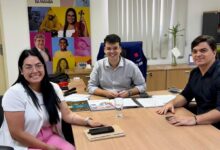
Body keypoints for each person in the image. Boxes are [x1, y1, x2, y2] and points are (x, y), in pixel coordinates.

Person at [0, 49, 102, 149]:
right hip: (23, 143)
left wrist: (87, 121)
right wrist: (47, 147)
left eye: (38, 65)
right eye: (28, 67)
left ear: (44, 67)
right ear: (21, 71)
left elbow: (68, 115)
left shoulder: (53, 87)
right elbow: (17, 134)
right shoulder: (14, 94)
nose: (34, 70)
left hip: (48, 137)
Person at [157, 35, 220, 129]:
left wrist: (194, 119)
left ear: (214, 52)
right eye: (195, 51)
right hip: (202, 123)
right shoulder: (195, 72)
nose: (198, 54)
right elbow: (186, 95)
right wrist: (171, 103)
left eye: (203, 50)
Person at [88, 34, 146, 98]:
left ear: (120, 49)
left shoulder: (131, 65)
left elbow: (142, 85)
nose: (112, 51)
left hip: (125, 99)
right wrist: (105, 93)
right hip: (104, 99)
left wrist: (129, 92)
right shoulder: (98, 65)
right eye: (109, 49)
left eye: (115, 48)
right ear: (104, 50)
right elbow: (91, 86)